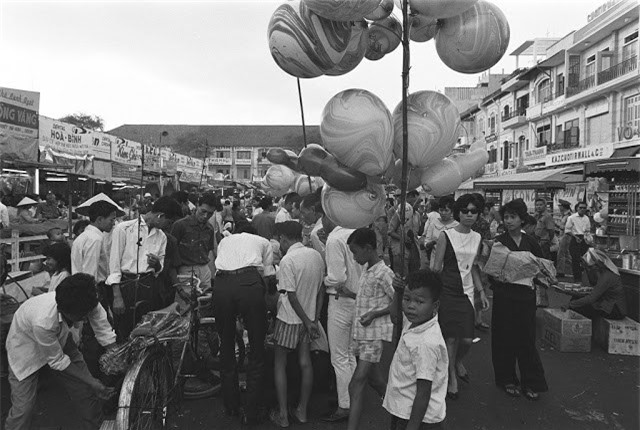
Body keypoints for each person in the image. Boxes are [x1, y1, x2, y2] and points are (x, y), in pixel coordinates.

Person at [4, 274, 116, 430]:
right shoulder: (43, 321)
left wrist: (117, 356)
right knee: (23, 410)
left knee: (86, 391)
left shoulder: (88, 300)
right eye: (81, 317)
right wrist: (92, 380)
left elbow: (104, 331)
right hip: (26, 349)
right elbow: (57, 361)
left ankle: (96, 426)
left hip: (61, 340)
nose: (85, 320)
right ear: (65, 310)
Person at [213, 221, 275, 425]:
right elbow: (268, 276)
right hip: (249, 284)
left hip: (221, 286)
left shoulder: (225, 241)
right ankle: (251, 410)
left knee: (227, 346)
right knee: (257, 349)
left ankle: (231, 405)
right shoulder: (263, 241)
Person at [490, 199, 548, 401]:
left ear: (522, 219)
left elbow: (542, 267)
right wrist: (499, 276)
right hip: (504, 297)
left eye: (513, 217)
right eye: (506, 217)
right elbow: (491, 271)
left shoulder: (531, 242)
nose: (508, 221)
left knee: (526, 339)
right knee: (504, 338)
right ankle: (507, 379)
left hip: (525, 298)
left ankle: (531, 382)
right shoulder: (499, 242)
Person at [431, 194, 488, 400]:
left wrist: (482, 291)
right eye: (465, 211)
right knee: (451, 337)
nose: (469, 215)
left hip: (467, 291)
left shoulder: (477, 237)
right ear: (459, 213)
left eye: (474, 211)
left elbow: (473, 267)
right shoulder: (446, 235)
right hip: (447, 290)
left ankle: (456, 362)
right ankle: (451, 376)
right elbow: (436, 268)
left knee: (466, 339)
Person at [269, 221, 325, 428]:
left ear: (284, 238)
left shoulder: (288, 260)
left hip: (290, 318)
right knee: (305, 362)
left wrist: (306, 319)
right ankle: (302, 411)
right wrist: (313, 320)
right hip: (309, 318)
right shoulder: (315, 255)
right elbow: (320, 291)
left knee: (279, 363)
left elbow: (290, 296)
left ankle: (283, 415)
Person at [106, 196, 182, 341]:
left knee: (148, 329)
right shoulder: (124, 229)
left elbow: (159, 268)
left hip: (149, 286)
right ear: (161, 216)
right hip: (126, 286)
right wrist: (117, 296)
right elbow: (114, 265)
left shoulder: (162, 237)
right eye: (168, 222)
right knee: (125, 329)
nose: (168, 226)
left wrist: (157, 265)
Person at [383, 270, 448, 430]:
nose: (411, 306)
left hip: (419, 419)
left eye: (419, 302)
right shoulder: (416, 321)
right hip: (405, 410)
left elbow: (424, 392)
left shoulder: (427, 342)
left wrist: (412, 427)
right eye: (407, 299)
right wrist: (398, 292)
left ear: (435, 306)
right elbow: (395, 316)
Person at [346, 228, 395, 430]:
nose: (355, 257)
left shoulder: (385, 273)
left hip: (373, 337)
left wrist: (375, 314)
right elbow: (367, 299)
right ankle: (398, 407)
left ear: (368, 248)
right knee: (375, 381)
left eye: (356, 252)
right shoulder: (368, 270)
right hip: (362, 335)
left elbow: (398, 303)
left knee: (356, 384)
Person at [322, 221, 363, 422]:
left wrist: (324, 279)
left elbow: (337, 277)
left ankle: (345, 404)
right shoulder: (358, 231)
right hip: (357, 299)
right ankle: (351, 398)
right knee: (349, 354)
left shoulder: (335, 238)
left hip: (340, 300)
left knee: (339, 357)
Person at [171, 193, 218, 308]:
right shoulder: (180, 225)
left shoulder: (209, 228)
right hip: (186, 270)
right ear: (197, 205)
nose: (206, 216)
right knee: (186, 306)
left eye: (210, 214)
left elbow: (209, 251)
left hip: (204, 269)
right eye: (203, 211)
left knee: (205, 305)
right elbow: (172, 252)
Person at [568, 248, 627, 320]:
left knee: (579, 307)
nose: (589, 269)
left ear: (597, 265)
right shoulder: (603, 273)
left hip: (615, 310)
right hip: (608, 304)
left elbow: (591, 298)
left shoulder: (607, 276)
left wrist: (571, 304)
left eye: (590, 267)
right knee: (576, 300)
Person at [422, 196, 458, 270]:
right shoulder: (433, 223)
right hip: (434, 261)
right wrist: (433, 242)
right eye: (441, 210)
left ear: (451, 211)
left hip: (451, 264)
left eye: (446, 210)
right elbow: (426, 243)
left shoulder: (457, 226)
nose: (443, 213)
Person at [565, 202, 591, 282]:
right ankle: (577, 278)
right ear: (577, 208)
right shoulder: (571, 218)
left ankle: (584, 277)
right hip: (575, 238)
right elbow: (567, 230)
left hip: (584, 239)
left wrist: (588, 239)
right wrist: (575, 237)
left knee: (584, 259)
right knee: (575, 259)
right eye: (581, 208)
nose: (582, 209)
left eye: (584, 208)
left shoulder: (586, 218)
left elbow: (587, 230)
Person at [555, 200, 573, 277]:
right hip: (563, 235)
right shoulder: (565, 215)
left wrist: (556, 225)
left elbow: (566, 228)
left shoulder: (568, 216)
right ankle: (578, 266)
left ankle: (560, 271)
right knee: (567, 254)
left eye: (560, 206)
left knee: (561, 254)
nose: (559, 207)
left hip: (566, 236)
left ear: (563, 206)